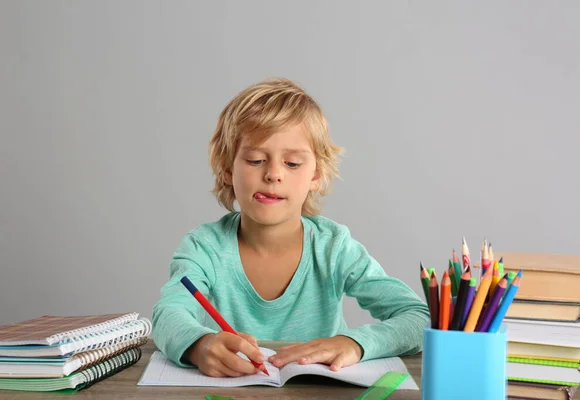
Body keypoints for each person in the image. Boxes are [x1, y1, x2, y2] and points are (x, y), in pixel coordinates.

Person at [152, 77, 430, 378]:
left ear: (316, 175)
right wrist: (200, 345)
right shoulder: (203, 247)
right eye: (256, 159)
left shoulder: (333, 247)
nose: (273, 174)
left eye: (293, 164)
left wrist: (355, 343)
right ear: (228, 168)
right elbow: (167, 315)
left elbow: (419, 317)